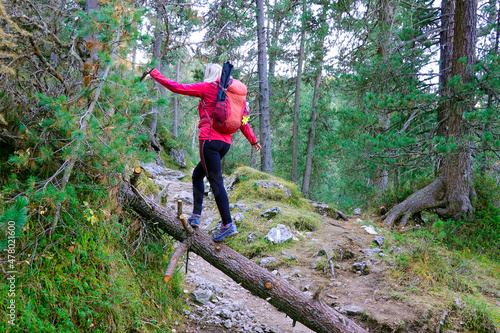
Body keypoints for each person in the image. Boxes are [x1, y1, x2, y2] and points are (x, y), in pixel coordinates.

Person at [146, 64, 261, 242]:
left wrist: (154, 74)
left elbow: (177, 87)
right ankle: (196, 216)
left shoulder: (208, 87)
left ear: (209, 74)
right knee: (197, 174)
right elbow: (243, 122)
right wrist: (253, 140)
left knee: (216, 183)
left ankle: (227, 224)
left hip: (209, 141)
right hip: (225, 144)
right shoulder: (234, 96)